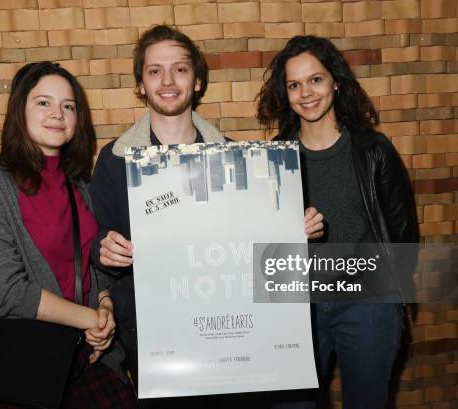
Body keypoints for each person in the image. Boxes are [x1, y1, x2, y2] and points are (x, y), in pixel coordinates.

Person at [89, 25, 324, 404]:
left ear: (197, 81)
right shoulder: (115, 161)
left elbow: (258, 254)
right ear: (141, 84)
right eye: (154, 71)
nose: (167, 81)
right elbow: (95, 242)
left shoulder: (240, 159)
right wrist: (104, 250)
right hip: (155, 340)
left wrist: (291, 231)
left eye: (180, 69)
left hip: (231, 340)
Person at [0, 61, 137, 409]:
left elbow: (91, 261)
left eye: (67, 106)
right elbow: (3, 290)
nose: (58, 113)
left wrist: (105, 304)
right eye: (43, 102)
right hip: (26, 366)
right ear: (19, 111)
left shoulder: (80, 185)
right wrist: (89, 317)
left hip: (88, 357)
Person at [256, 36, 419, 409]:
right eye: (294, 85)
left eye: (315, 79)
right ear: (285, 94)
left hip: (368, 305)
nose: (306, 93)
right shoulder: (273, 159)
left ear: (336, 83)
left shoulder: (373, 149)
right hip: (298, 306)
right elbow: (260, 244)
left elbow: (402, 233)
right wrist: (287, 235)